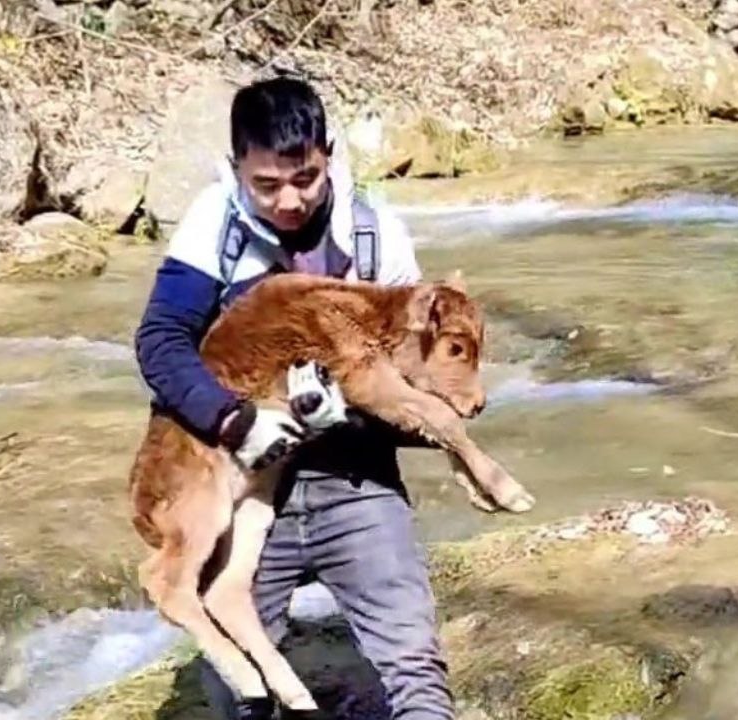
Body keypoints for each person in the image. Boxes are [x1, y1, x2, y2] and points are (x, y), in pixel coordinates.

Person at [133, 75, 455, 720]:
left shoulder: (374, 233)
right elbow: (161, 344)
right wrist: (232, 420)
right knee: (237, 695)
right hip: (245, 480)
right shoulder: (213, 226)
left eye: (305, 178)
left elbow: (416, 384)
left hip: (353, 481)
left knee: (414, 668)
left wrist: (357, 407)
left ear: (327, 155)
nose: (288, 201)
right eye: (266, 185)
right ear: (236, 170)